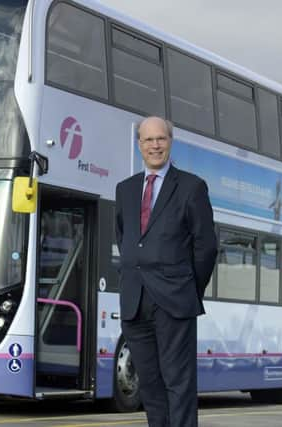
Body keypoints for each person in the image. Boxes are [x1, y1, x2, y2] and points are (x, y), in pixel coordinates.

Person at [115, 116, 218, 427]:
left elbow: (206, 247)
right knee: (151, 385)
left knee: (179, 384)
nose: (155, 145)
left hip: (174, 300)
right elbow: (126, 239)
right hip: (135, 300)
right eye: (148, 140)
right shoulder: (125, 189)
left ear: (170, 142)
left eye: (161, 139)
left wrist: (188, 290)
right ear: (139, 145)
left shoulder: (191, 187)